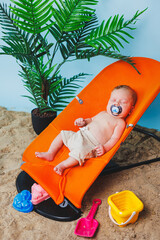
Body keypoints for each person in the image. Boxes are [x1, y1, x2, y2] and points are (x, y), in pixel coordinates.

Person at [35, 85, 137, 175]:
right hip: (80, 135)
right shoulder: (103, 113)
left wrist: (105, 148)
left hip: (90, 145)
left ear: (131, 109)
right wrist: (83, 122)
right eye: (113, 100)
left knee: (80, 152)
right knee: (63, 134)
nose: (116, 104)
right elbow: (91, 120)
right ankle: (50, 153)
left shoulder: (120, 123)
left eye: (123, 102)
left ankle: (63, 165)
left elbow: (114, 139)